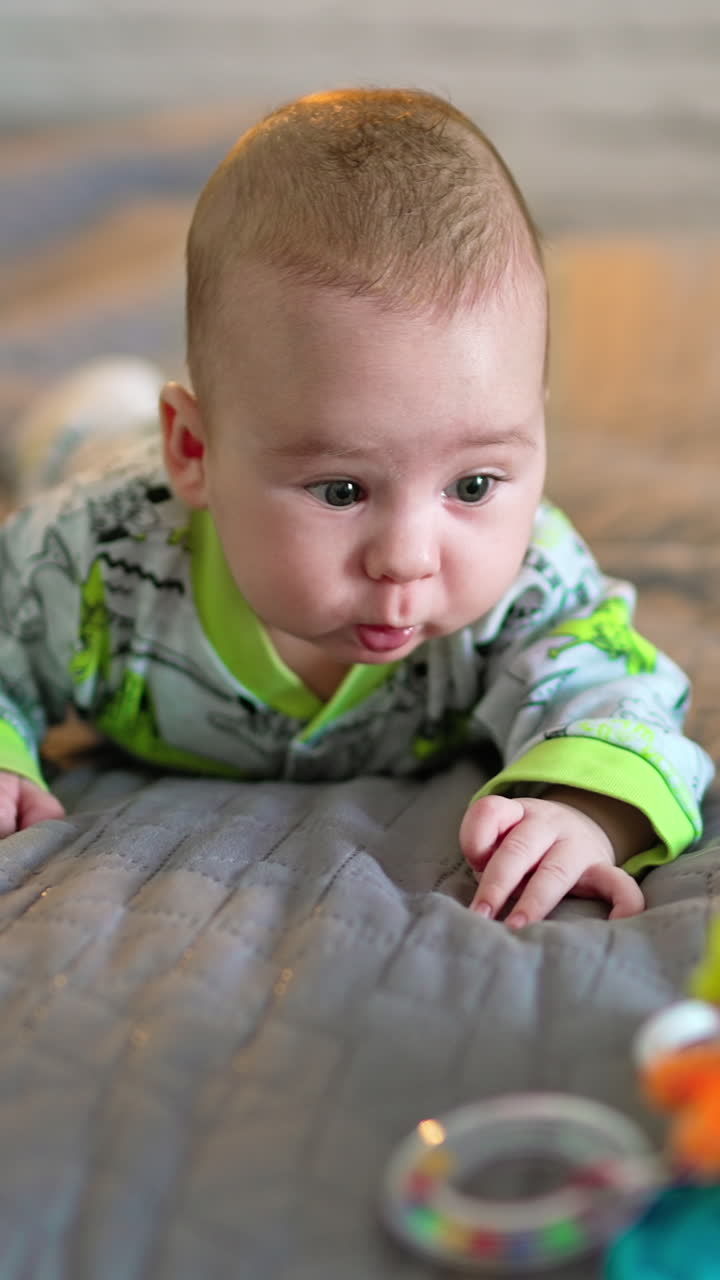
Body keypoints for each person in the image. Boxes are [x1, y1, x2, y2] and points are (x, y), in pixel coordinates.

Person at [0, 88, 713, 929]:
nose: (409, 557)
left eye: (474, 484)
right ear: (193, 453)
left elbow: (619, 693)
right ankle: (92, 398)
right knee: (77, 430)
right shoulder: (92, 554)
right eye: (342, 490)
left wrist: (588, 808)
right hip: (110, 455)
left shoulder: (530, 580)